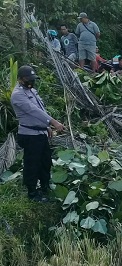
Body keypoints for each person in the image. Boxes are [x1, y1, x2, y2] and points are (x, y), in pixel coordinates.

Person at [10, 66, 65, 202]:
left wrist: (46, 126)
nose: (31, 82)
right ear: (21, 79)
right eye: (29, 79)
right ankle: (32, 193)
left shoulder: (32, 91)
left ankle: (45, 186)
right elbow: (34, 111)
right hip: (29, 135)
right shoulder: (17, 94)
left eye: (33, 79)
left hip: (40, 133)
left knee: (45, 161)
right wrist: (54, 122)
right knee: (32, 163)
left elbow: (41, 109)